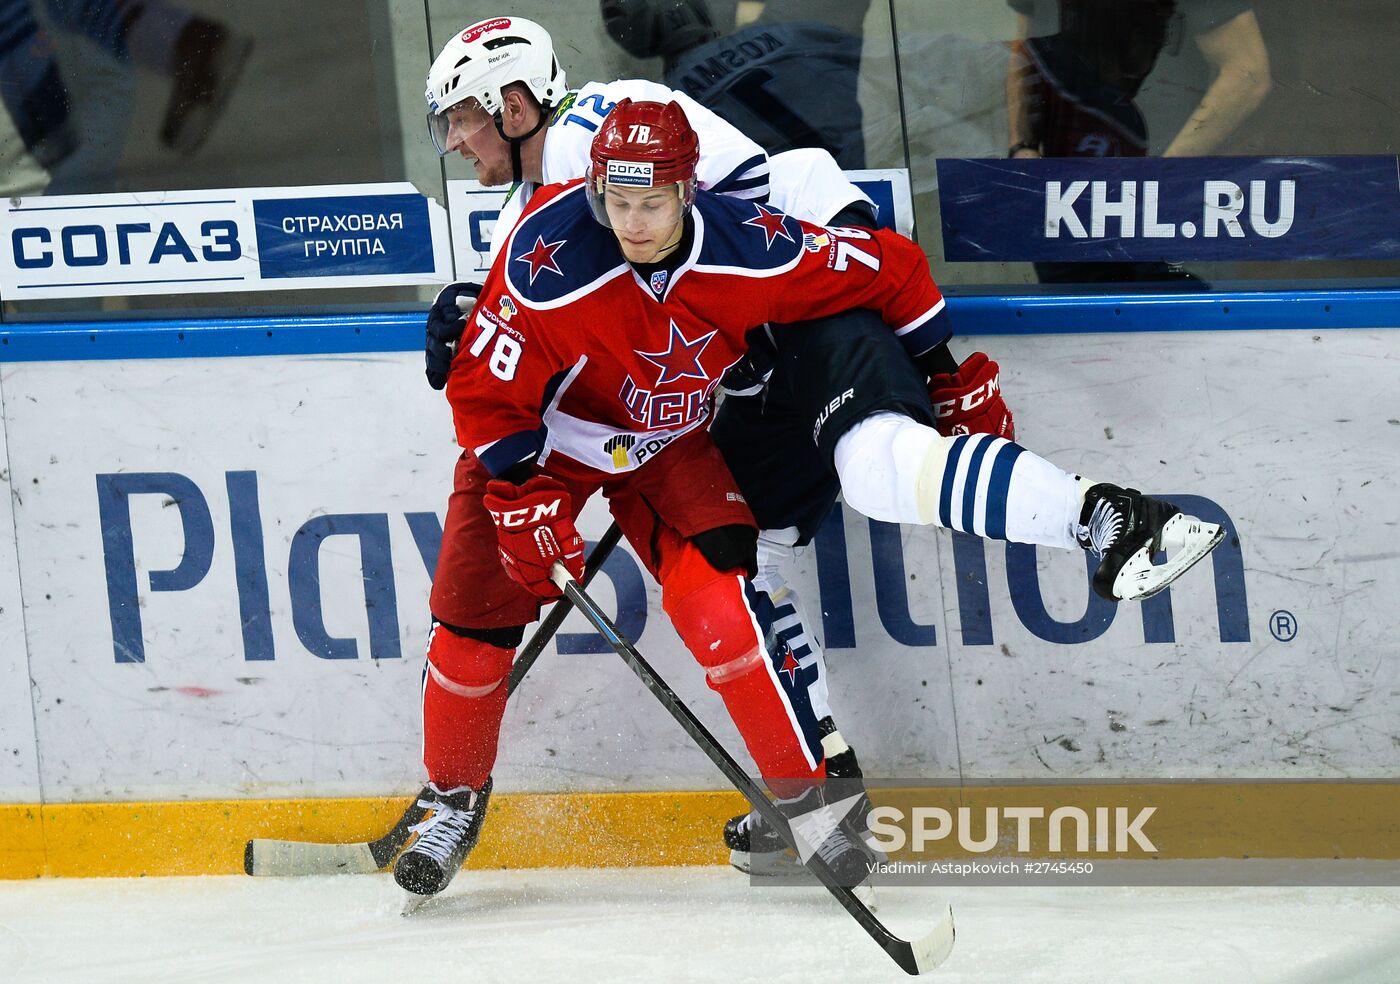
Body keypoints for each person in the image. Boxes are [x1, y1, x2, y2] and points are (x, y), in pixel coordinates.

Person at [412, 17, 1224, 886]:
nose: (456, 140)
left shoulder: (608, 164)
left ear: (514, 100)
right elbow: (509, 353)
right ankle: (816, 787)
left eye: (464, 116)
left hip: (794, 318)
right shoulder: (555, 206)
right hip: (705, 384)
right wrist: (489, 371)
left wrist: (946, 372)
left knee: (869, 474)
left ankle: (1102, 519)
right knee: (750, 561)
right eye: (620, 205)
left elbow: (847, 260)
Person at [1006, 0, 1271, 284]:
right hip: (1068, 212)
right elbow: (1026, 52)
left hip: (1160, 213)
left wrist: (1155, 183)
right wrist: (1023, 148)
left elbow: (1247, 75)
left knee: (1176, 318)